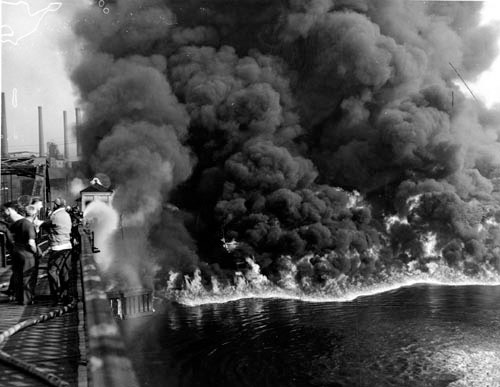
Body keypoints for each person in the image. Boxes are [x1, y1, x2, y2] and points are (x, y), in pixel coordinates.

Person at [2, 202, 38, 305]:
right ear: (34, 215)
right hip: (27, 255)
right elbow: (31, 243)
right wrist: (36, 252)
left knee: (18, 275)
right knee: (28, 277)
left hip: (16, 252)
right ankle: (27, 300)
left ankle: (18, 297)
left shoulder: (16, 224)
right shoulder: (28, 225)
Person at [40, 197, 73, 304]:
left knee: (52, 271)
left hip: (58, 247)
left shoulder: (55, 215)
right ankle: (65, 295)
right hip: (67, 246)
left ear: (56, 205)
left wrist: (38, 223)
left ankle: (56, 295)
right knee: (64, 272)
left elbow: (46, 225)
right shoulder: (66, 215)